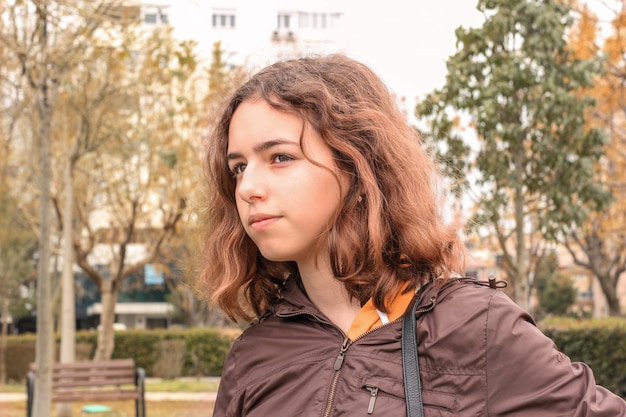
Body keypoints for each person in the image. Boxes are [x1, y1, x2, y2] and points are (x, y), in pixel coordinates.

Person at [199, 54, 626, 416]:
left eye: (279, 157)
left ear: (358, 168)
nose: (248, 188)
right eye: (239, 166)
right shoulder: (253, 357)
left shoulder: (476, 326)